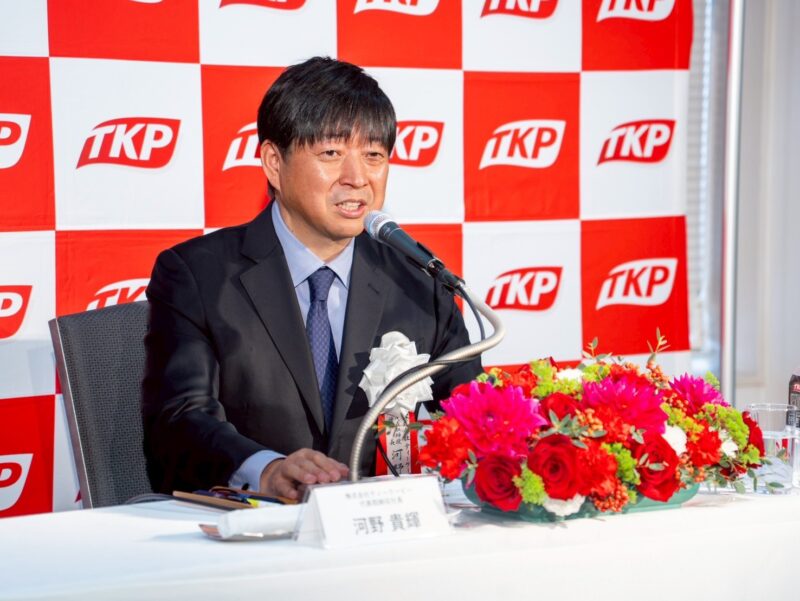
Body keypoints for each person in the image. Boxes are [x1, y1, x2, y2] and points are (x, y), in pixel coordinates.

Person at [142, 56, 481, 501]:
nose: (357, 179)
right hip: (259, 524)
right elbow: (179, 422)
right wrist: (266, 469)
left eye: (374, 156)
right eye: (331, 154)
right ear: (273, 162)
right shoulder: (198, 275)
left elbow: (473, 418)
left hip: (381, 525)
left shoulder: (421, 282)